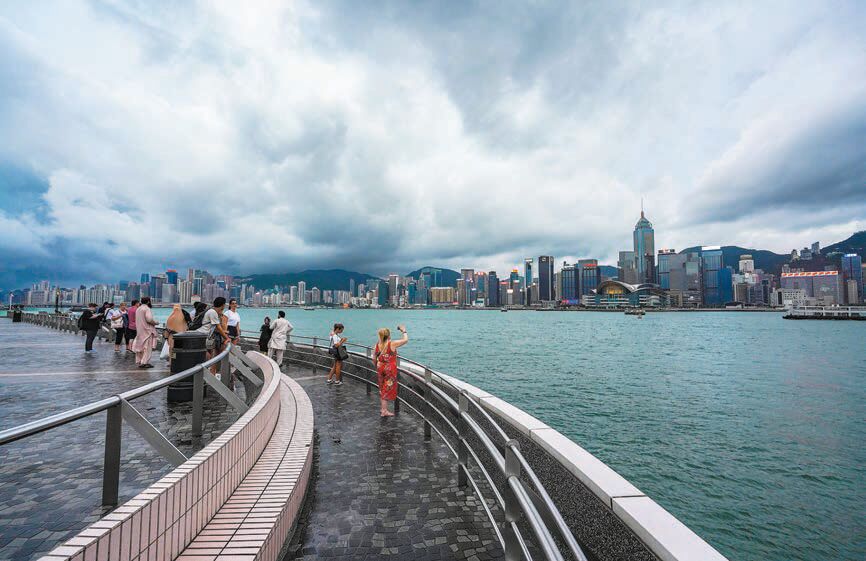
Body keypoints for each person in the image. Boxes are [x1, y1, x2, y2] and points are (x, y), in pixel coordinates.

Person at [373, 325, 409, 417]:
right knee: (387, 389)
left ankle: (383, 408)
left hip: (380, 367)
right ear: (388, 335)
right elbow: (405, 340)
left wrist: (377, 366)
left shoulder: (377, 345)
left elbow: (374, 358)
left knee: (382, 388)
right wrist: (404, 331)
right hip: (389, 369)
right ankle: (384, 411)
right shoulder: (391, 344)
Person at [196, 297, 229, 373]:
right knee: (208, 358)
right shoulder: (213, 312)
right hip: (201, 336)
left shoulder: (212, 311)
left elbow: (216, 327)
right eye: (224, 304)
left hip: (203, 336)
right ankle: (204, 375)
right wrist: (227, 338)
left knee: (209, 358)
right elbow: (218, 327)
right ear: (223, 305)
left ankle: (207, 374)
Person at [131, 297, 158, 368]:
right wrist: (156, 322)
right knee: (147, 348)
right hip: (147, 331)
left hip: (139, 331)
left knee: (140, 347)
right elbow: (149, 319)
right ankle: (144, 362)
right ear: (148, 302)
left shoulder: (138, 309)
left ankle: (140, 361)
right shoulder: (147, 309)